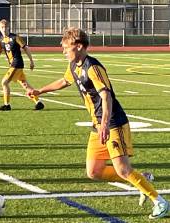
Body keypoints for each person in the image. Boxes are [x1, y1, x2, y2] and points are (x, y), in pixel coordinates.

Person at [28, 27, 169, 219]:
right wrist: (39, 91)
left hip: (112, 122)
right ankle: (142, 179)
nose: (63, 51)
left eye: (66, 47)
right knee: (94, 171)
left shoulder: (93, 67)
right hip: (98, 123)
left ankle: (160, 202)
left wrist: (104, 124)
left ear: (78, 46)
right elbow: (63, 81)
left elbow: (106, 96)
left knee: (123, 168)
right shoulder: (74, 67)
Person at [0, 19, 44, 111]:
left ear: (9, 28)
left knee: (4, 82)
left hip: (17, 63)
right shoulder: (0, 39)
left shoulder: (15, 37)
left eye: (6, 27)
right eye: (2, 27)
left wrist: (31, 61)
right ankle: (38, 103)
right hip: (13, 64)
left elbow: (26, 48)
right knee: (24, 84)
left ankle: (7, 105)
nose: (4, 29)